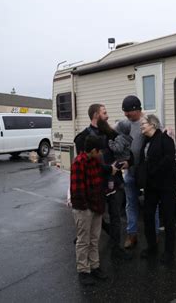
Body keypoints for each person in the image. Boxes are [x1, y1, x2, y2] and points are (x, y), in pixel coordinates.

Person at [73, 104, 132, 260]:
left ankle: (116, 249)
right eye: (104, 113)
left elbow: (126, 150)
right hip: (95, 185)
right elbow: (83, 164)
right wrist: (107, 168)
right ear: (95, 116)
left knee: (116, 217)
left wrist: (129, 162)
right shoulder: (82, 138)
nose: (107, 116)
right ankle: (88, 258)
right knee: (92, 217)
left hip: (114, 183)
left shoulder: (111, 133)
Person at [70, 135, 118, 285]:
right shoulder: (79, 162)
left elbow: (103, 170)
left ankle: (94, 266)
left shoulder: (94, 161)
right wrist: (86, 208)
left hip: (96, 207)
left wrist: (112, 168)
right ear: (93, 150)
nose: (101, 153)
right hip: (84, 209)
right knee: (83, 241)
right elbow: (77, 191)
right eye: (99, 151)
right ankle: (83, 270)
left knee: (94, 239)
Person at [138, 114, 176, 264]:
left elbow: (168, 159)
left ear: (152, 125)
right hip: (151, 184)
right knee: (148, 214)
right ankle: (152, 247)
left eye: (144, 123)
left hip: (167, 183)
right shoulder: (146, 141)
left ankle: (169, 253)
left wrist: (152, 171)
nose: (141, 125)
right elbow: (144, 160)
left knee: (168, 217)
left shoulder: (165, 139)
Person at [120, 95, 159, 249]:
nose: (126, 115)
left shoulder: (149, 121)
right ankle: (132, 234)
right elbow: (112, 133)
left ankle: (154, 234)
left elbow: (158, 138)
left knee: (152, 203)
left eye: (128, 111)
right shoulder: (124, 124)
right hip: (130, 170)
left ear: (136, 109)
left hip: (147, 172)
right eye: (124, 112)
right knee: (131, 203)